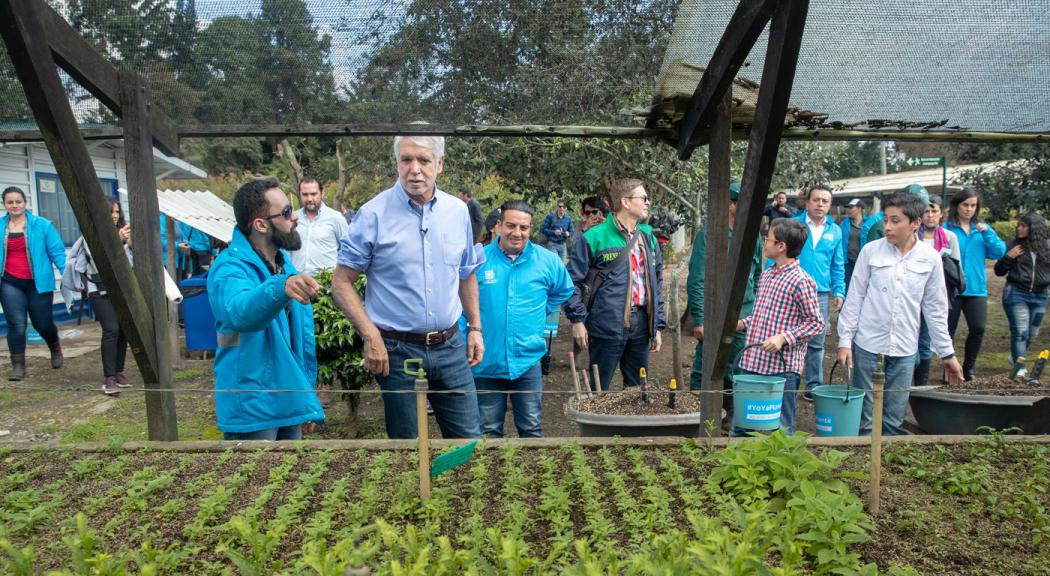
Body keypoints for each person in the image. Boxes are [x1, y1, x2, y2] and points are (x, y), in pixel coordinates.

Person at [333, 133, 484, 439]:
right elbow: (341, 282)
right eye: (406, 160)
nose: (415, 168)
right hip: (398, 351)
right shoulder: (373, 214)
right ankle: (414, 489)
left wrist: (476, 328)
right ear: (397, 163)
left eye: (424, 160)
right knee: (406, 448)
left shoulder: (457, 212)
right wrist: (371, 335)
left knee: (468, 440)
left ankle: (458, 488)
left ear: (439, 164)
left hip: (451, 346)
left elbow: (466, 273)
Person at [837, 192, 964, 436]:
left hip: (905, 347)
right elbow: (855, 299)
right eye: (886, 220)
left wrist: (947, 353)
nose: (887, 227)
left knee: (894, 418)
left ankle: (887, 469)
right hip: (867, 344)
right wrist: (845, 341)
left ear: (915, 223)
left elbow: (935, 309)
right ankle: (863, 467)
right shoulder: (871, 252)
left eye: (895, 221)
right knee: (864, 417)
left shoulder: (930, 258)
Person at [207, 179, 325, 441]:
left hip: (287, 400)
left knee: (290, 480)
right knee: (253, 481)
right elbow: (239, 311)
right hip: (253, 407)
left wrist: (305, 396)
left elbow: (298, 342)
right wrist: (279, 288)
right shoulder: (231, 268)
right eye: (285, 212)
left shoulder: (285, 267)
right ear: (261, 224)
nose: (295, 216)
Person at [469, 200, 574, 437]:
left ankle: (532, 474)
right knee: (488, 430)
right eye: (511, 225)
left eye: (523, 228)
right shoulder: (479, 260)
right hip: (486, 362)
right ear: (499, 225)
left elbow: (564, 289)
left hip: (527, 362)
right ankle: (493, 474)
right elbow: (461, 304)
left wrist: (540, 309)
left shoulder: (547, 260)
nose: (517, 233)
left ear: (530, 229)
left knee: (531, 427)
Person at [564, 178, 666, 391]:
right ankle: (597, 425)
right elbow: (571, 282)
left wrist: (656, 324)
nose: (648, 202)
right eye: (643, 198)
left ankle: (632, 425)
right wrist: (577, 320)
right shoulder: (594, 236)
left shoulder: (648, 236)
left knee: (638, 391)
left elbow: (657, 281)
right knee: (598, 389)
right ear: (626, 202)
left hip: (641, 324)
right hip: (606, 323)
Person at [734, 218, 824, 435]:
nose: (764, 243)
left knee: (782, 428)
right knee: (743, 423)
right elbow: (762, 316)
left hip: (782, 368)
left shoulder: (801, 280)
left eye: (768, 239)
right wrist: (741, 324)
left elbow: (816, 323)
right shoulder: (767, 274)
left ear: (781, 246)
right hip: (754, 360)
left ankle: (783, 466)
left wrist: (783, 338)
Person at [687, 181, 762, 426]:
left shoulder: (754, 237)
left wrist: (756, 312)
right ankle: (700, 418)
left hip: (745, 313)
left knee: (739, 367)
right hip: (716, 314)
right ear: (731, 204)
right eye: (744, 203)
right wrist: (699, 319)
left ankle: (730, 419)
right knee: (707, 365)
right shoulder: (710, 234)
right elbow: (698, 279)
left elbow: (758, 275)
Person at [66, 199, 134, 395]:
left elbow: (131, 263)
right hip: (99, 289)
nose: (114, 216)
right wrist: (118, 241)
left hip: (122, 289)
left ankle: (119, 372)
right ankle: (109, 377)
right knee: (111, 329)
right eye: (110, 212)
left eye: (117, 212)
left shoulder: (122, 233)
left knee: (123, 330)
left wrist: (131, 243)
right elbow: (99, 263)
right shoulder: (91, 235)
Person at [0, 186, 66, 380]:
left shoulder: (43, 225)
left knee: (42, 323)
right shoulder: (1, 226)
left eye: (18, 201)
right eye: (10, 202)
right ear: (4, 204)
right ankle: (18, 365)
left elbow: (57, 252)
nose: (14, 205)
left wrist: (68, 275)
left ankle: (54, 347)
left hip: (38, 283)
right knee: (16, 324)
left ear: (25, 202)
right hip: (9, 283)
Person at [944, 187, 1006, 381]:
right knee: (948, 331)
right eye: (965, 205)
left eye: (973, 205)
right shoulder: (947, 228)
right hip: (951, 288)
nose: (969, 209)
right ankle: (949, 369)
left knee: (978, 328)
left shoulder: (982, 229)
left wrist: (987, 233)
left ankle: (968, 367)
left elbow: (999, 252)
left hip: (976, 289)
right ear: (957, 205)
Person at [794, 185, 845, 397]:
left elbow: (837, 264)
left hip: (821, 294)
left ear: (830, 205)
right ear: (807, 202)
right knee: (790, 337)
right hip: (793, 289)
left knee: (817, 341)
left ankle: (813, 386)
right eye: (816, 200)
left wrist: (839, 291)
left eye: (825, 201)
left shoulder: (835, 231)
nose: (820, 204)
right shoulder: (793, 225)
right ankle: (789, 383)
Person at [994, 213, 1050, 379]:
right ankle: (1020, 367)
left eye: (1023, 226)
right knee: (1020, 332)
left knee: (1032, 333)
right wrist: (1008, 257)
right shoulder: (1013, 246)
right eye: (1018, 225)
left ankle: (1015, 356)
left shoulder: (1047, 247)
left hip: (1041, 295)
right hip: (1016, 293)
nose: (1019, 228)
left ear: (1034, 229)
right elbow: (999, 271)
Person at [914, 195, 961, 387]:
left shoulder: (949, 237)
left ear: (941, 214)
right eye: (926, 211)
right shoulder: (913, 235)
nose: (930, 215)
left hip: (935, 294)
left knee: (925, 342)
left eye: (934, 211)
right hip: (913, 294)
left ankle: (920, 384)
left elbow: (957, 270)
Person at [289, 178, 349, 275]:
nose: (309, 199)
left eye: (313, 194)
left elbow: (347, 250)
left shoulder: (336, 218)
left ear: (322, 193)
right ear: (299, 194)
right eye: (305, 194)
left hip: (326, 284)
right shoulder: (293, 218)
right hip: (297, 283)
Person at [839, 198, 866, 291]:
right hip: (847, 262)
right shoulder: (844, 224)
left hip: (862, 262)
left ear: (859, 209)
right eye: (848, 208)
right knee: (846, 287)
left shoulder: (868, 224)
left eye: (852, 208)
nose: (849, 210)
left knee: (861, 287)